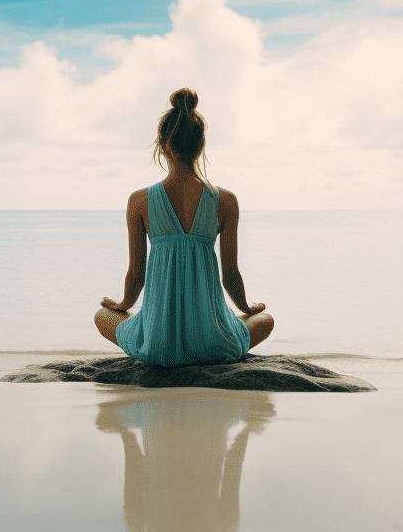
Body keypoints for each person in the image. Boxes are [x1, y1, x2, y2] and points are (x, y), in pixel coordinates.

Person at [94, 88, 274, 365]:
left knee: (101, 316)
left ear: (163, 144)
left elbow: (136, 277)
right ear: (200, 146)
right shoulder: (225, 201)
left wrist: (123, 306)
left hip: (157, 345)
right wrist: (246, 308)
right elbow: (231, 277)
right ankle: (217, 327)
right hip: (213, 345)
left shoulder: (140, 201)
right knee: (264, 320)